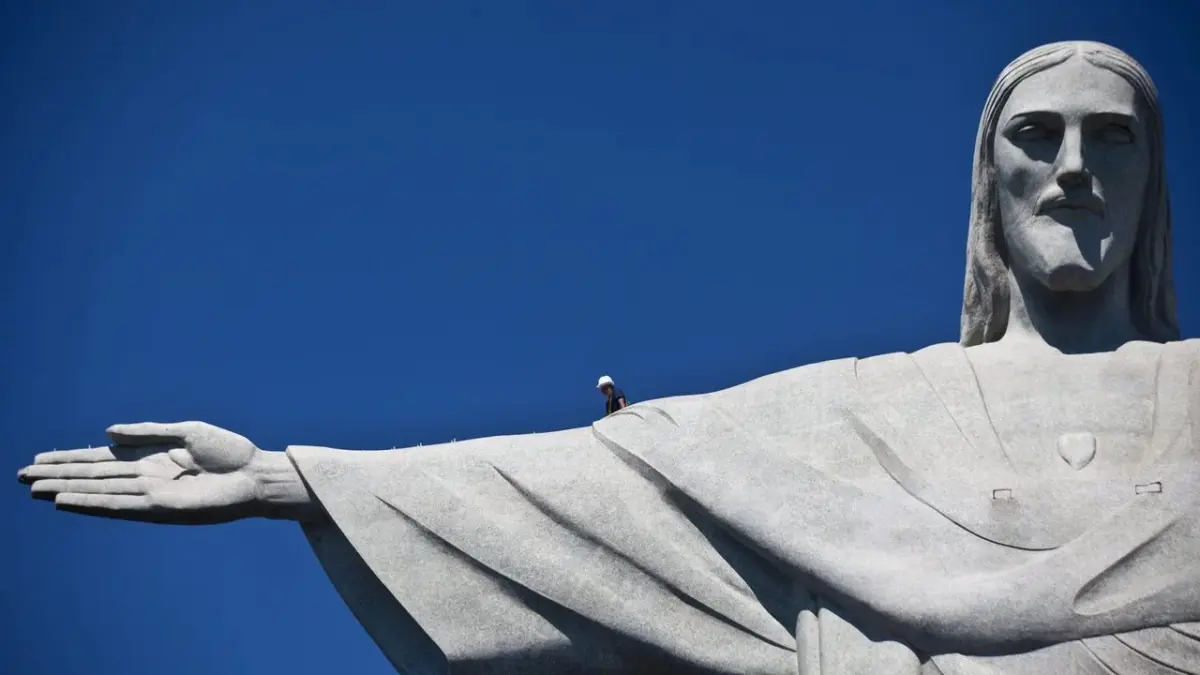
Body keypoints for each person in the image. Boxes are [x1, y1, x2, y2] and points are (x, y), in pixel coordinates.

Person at [17, 42, 1199, 675]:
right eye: (1037, 135)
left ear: (1153, 181)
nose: (1074, 169)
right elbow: (601, 486)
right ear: (990, 187)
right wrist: (289, 480)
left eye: (1114, 139)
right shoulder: (873, 405)